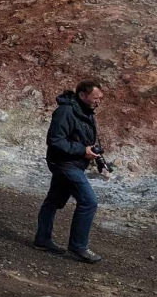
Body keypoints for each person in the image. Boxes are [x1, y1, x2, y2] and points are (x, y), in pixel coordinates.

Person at [34, 81, 105, 263]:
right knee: (89, 201)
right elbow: (55, 140)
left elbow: (84, 140)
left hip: (73, 163)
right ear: (82, 95)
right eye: (95, 98)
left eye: (100, 98)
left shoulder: (86, 111)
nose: (98, 101)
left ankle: (42, 240)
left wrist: (96, 157)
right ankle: (78, 246)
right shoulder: (66, 112)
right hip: (64, 164)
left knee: (53, 201)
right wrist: (82, 151)